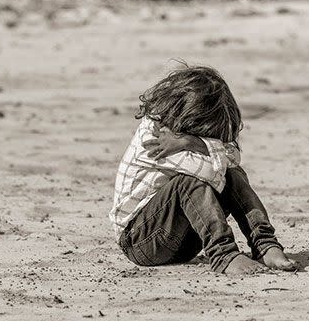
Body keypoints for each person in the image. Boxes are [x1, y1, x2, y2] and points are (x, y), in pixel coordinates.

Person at [110, 64, 297, 274]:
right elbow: (213, 173)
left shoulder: (184, 138)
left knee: (233, 174)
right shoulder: (155, 138)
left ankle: (265, 244)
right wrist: (206, 147)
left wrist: (193, 142)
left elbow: (232, 159)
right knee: (191, 181)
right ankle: (223, 255)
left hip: (184, 239)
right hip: (141, 241)